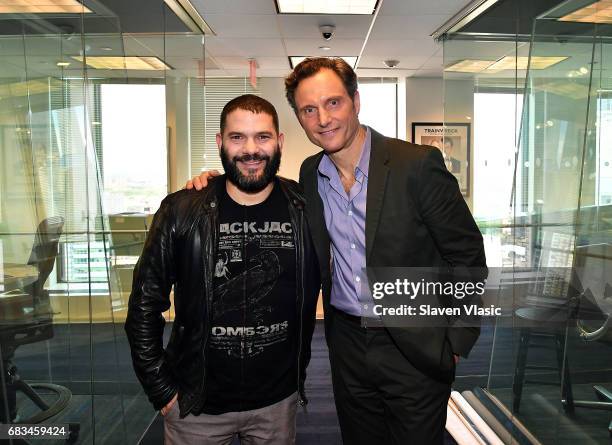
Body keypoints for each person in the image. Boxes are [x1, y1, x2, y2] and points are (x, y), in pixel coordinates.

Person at [188, 58, 487, 445]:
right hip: (346, 344)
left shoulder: (414, 165)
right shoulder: (311, 175)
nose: (323, 119)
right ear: (299, 118)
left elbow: (467, 255)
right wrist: (211, 182)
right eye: (309, 110)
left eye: (333, 103)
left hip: (415, 345)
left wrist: (457, 342)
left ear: (355, 101)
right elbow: (256, 185)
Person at [125, 94, 320, 445]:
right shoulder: (182, 209)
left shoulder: (306, 208)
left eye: (262, 137)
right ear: (220, 142)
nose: (250, 150)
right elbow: (144, 306)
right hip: (196, 406)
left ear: (279, 142)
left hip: (277, 403)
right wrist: (162, 392)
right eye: (237, 137)